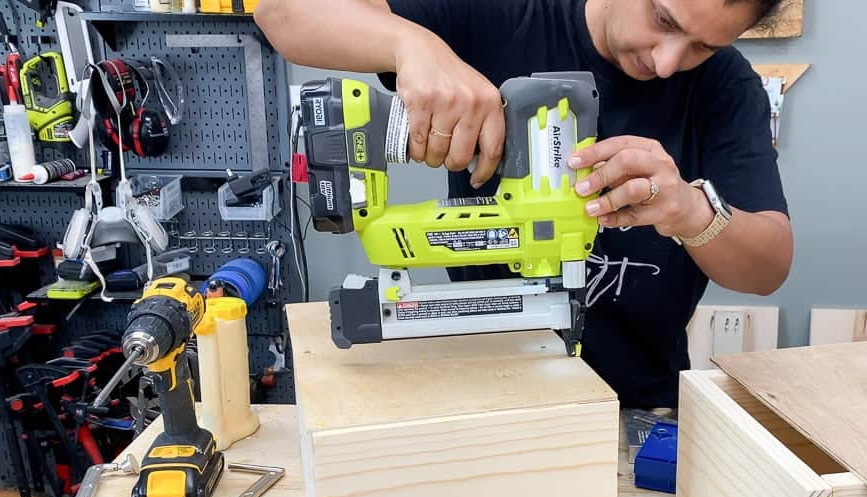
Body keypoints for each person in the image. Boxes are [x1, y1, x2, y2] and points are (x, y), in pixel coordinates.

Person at [256, 0, 793, 410]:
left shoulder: (726, 88)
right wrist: (412, 45)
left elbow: (769, 264)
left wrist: (689, 211)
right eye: (664, 20)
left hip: (639, 408)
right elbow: (281, 11)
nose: (669, 62)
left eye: (703, 46)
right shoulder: (501, 12)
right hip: (485, 391)